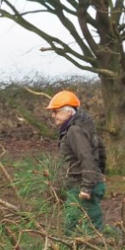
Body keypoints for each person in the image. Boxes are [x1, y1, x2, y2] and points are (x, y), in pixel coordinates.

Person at [46, 90, 108, 234]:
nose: (53, 116)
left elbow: (87, 157)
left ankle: (113, 245)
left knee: (84, 226)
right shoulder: (79, 128)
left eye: (56, 112)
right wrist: (100, 174)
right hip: (81, 183)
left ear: (68, 113)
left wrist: (87, 187)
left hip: (82, 186)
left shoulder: (75, 130)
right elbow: (101, 150)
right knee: (75, 224)